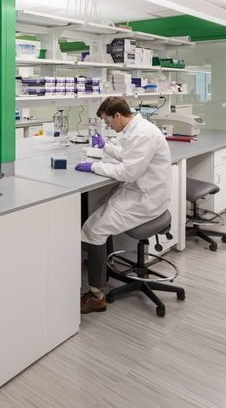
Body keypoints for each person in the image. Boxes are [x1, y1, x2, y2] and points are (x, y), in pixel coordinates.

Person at [74, 96, 172, 314]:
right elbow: (130, 156)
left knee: (93, 229)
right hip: (140, 189)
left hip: (146, 198)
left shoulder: (143, 133)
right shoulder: (136, 129)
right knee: (99, 207)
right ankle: (103, 268)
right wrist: (107, 147)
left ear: (118, 115)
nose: (109, 126)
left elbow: (128, 171)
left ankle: (97, 295)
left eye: (109, 122)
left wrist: (94, 167)